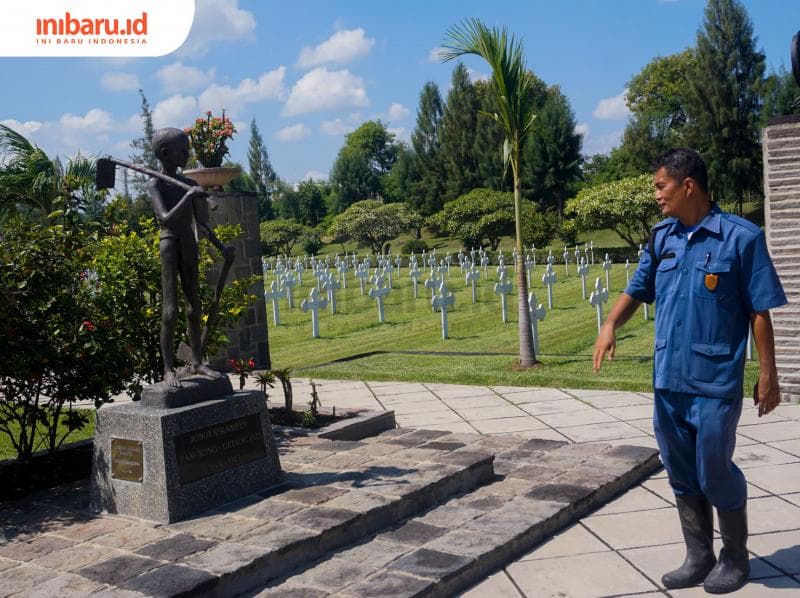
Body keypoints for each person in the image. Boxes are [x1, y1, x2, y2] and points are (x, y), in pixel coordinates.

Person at [593, 148, 786, 594]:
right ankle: (698, 555)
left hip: (714, 382)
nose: (656, 195)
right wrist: (608, 324)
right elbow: (639, 288)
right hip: (669, 381)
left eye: (661, 186)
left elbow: (760, 311)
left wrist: (767, 374)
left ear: (687, 186)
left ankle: (734, 559)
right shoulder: (663, 238)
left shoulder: (741, 238)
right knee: (680, 470)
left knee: (714, 469)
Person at [148, 127, 234, 387]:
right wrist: (188, 196)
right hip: (170, 244)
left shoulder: (191, 184)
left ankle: (197, 362)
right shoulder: (156, 183)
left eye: (188, 149)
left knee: (194, 307)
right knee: (170, 310)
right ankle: (168, 368)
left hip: (189, 244)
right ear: (165, 153)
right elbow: (165, 218)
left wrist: (221, 247)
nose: (187, 154)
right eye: (182, 150)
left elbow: (202, 225)